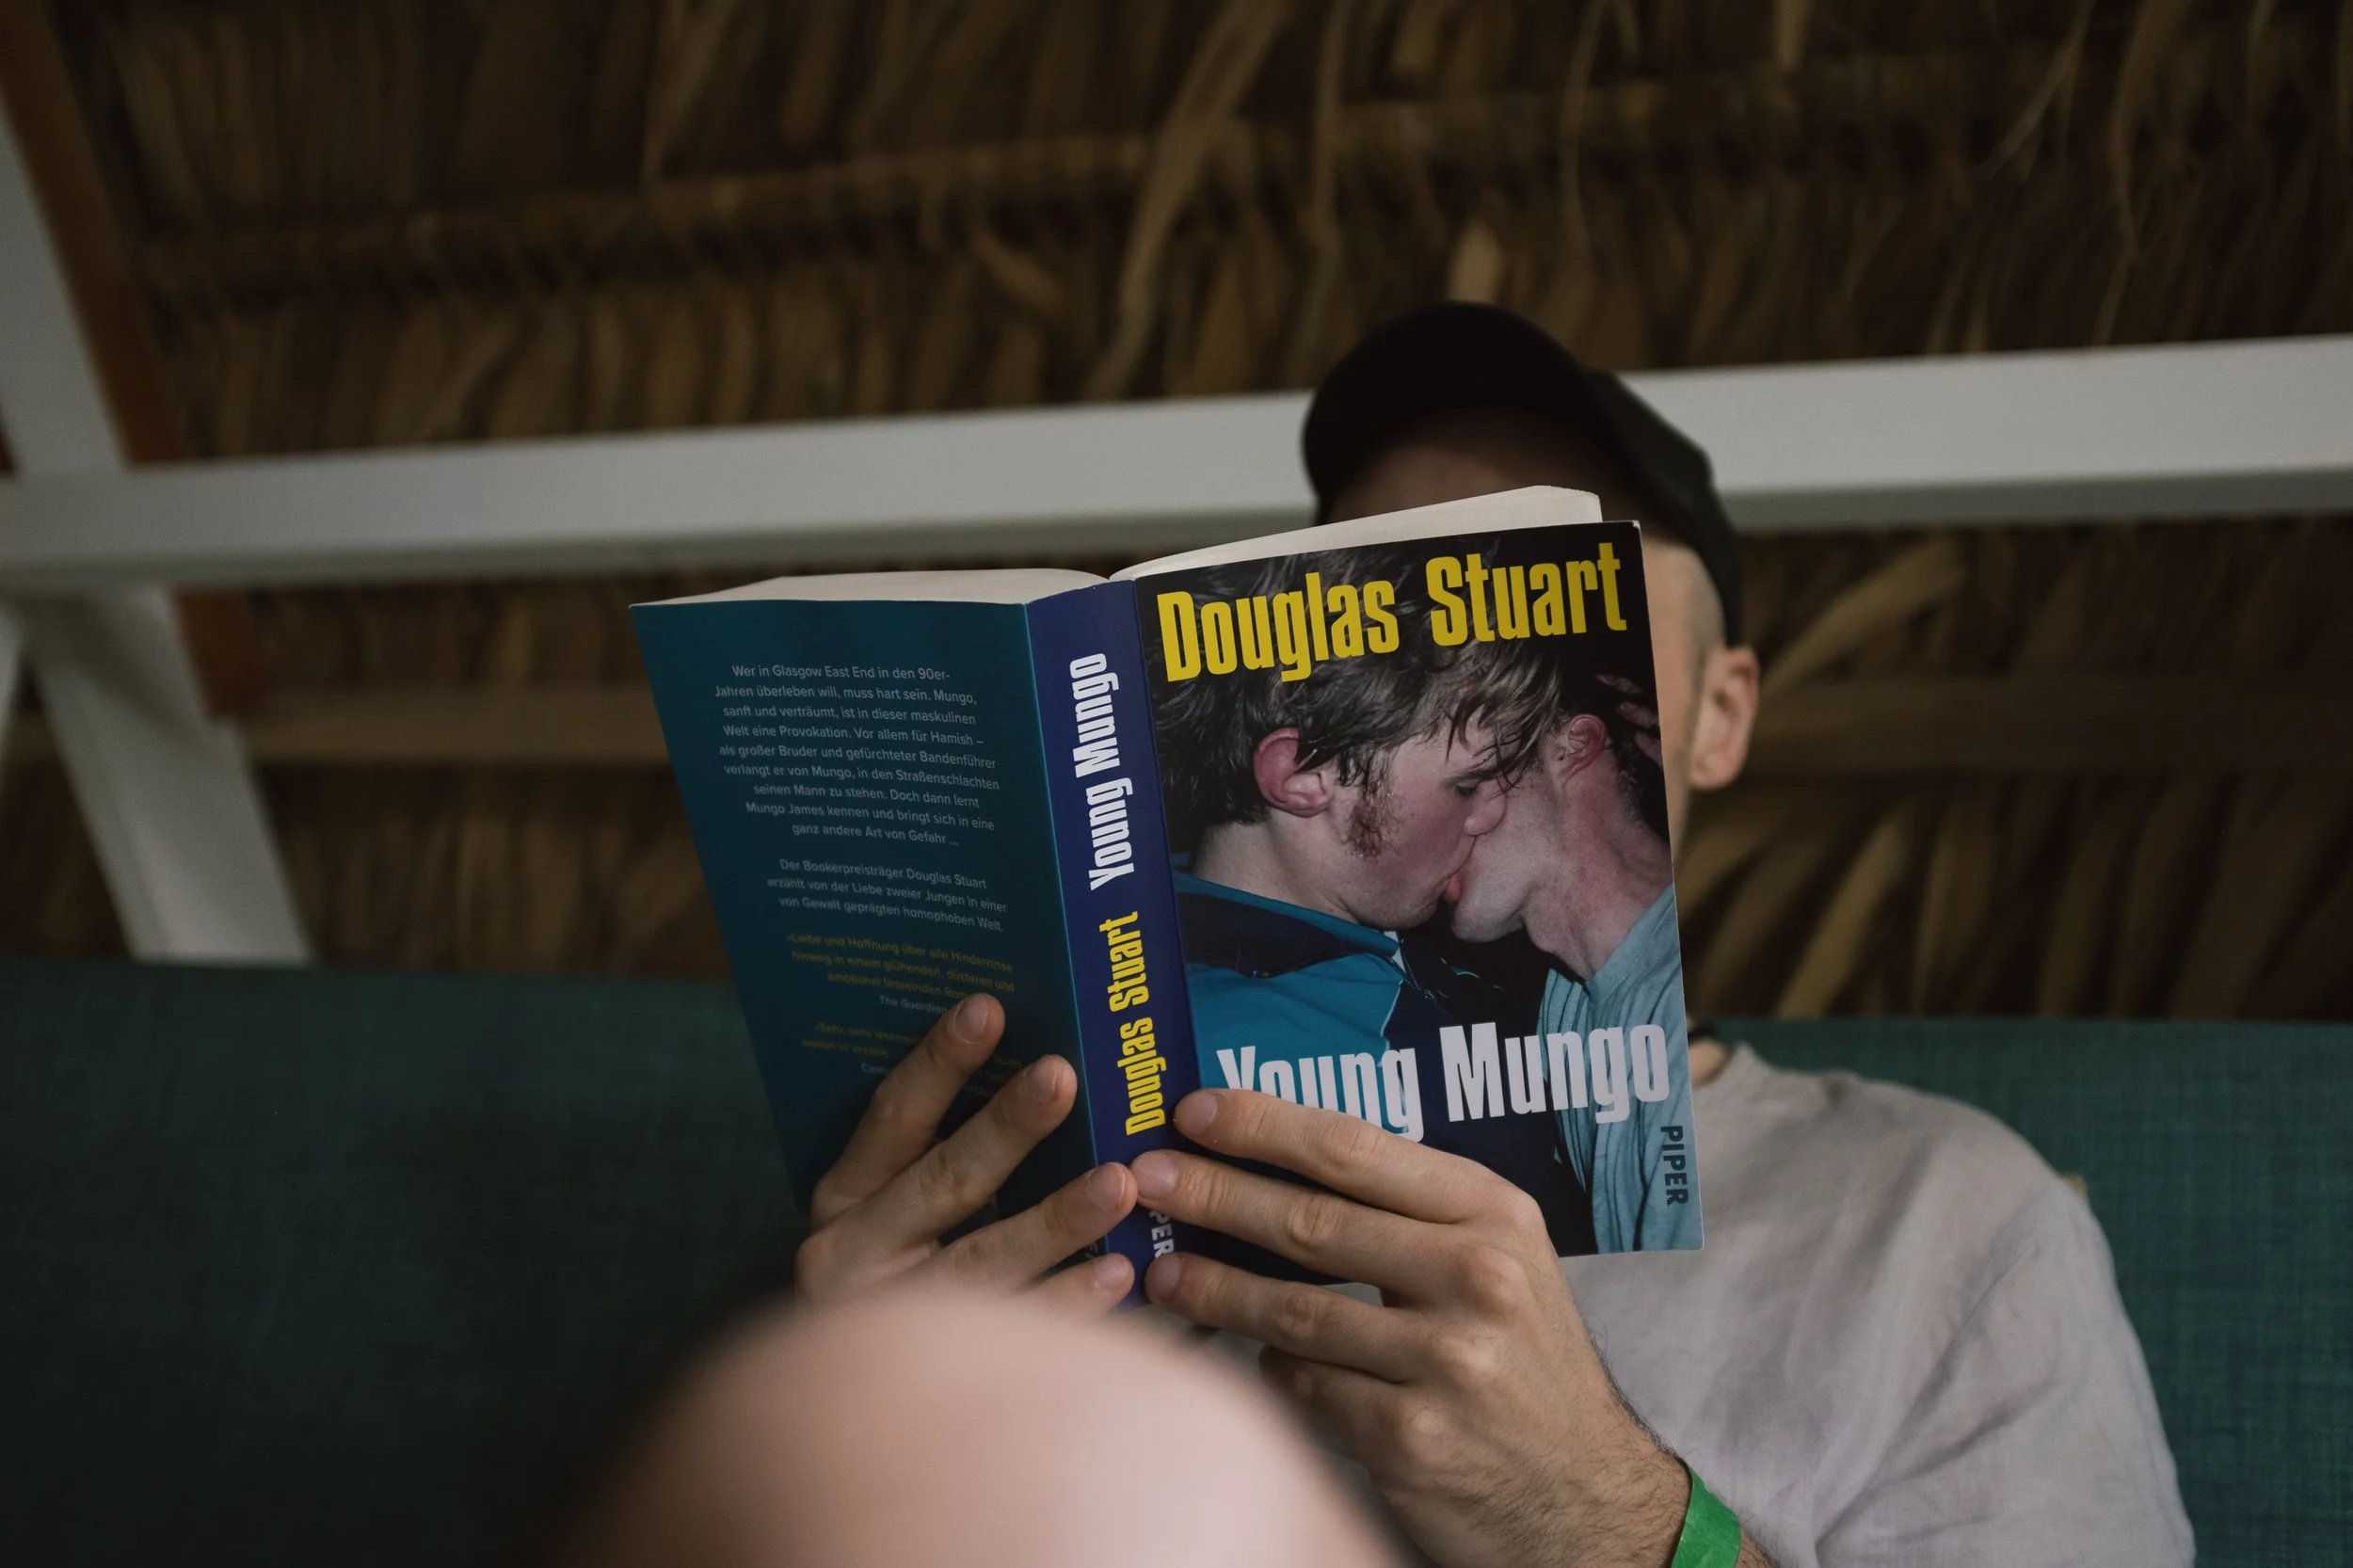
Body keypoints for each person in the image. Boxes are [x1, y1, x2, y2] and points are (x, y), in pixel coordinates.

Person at [790, 305, 2193, 1567]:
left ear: (1717, 712)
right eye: (1394, 598)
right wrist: (844, 1428)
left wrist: (1609, 1520)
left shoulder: (1950, 1225)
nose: (1471, 689)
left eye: (1552, 572)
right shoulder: (1086, 1168)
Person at [1153, 544, 1595, 1256]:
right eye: (1467, 784)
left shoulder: (1167, 933)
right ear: (1302, 775)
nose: (1489, 816)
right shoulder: (1293, 1050)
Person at [1445, 665, 1698, 1252]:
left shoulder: (1684, 1005)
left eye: (1463, 784)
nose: (1430, 832)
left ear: (1573, 748)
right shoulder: (1565, 1006)